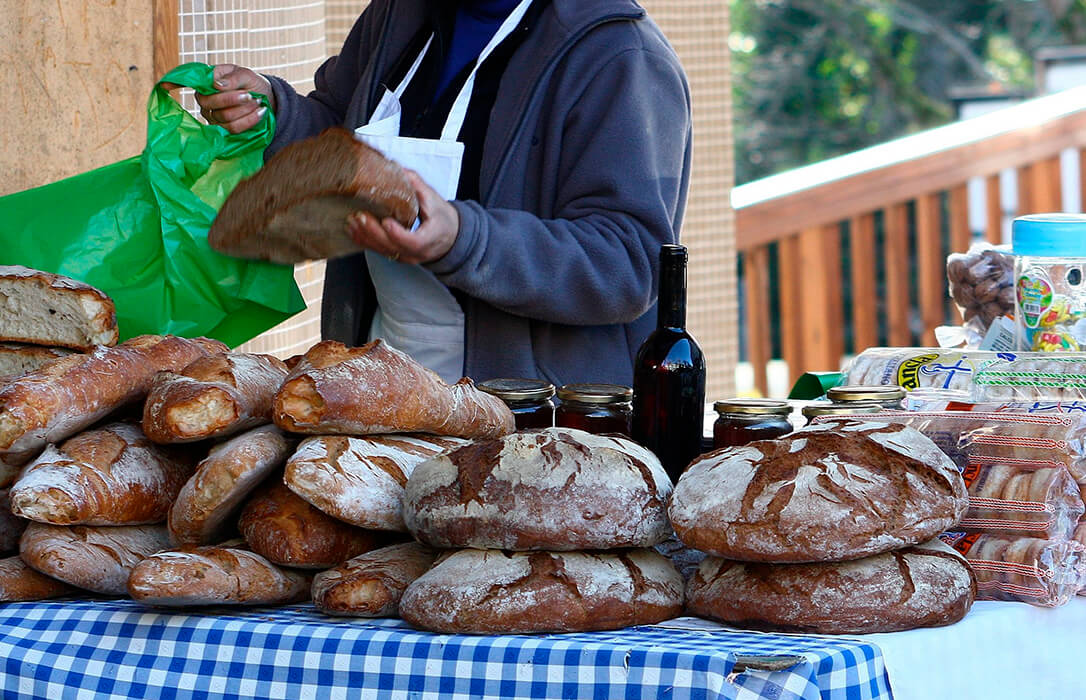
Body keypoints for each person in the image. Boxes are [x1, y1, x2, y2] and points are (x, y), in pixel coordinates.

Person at [188, 0, 692, 387]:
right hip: (385, 381)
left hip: (535, 423)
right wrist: (273, 114)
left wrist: (463, 239)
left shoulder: (620, 56)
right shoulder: (399, 15)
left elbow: (628, 262)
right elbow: (341, 141)